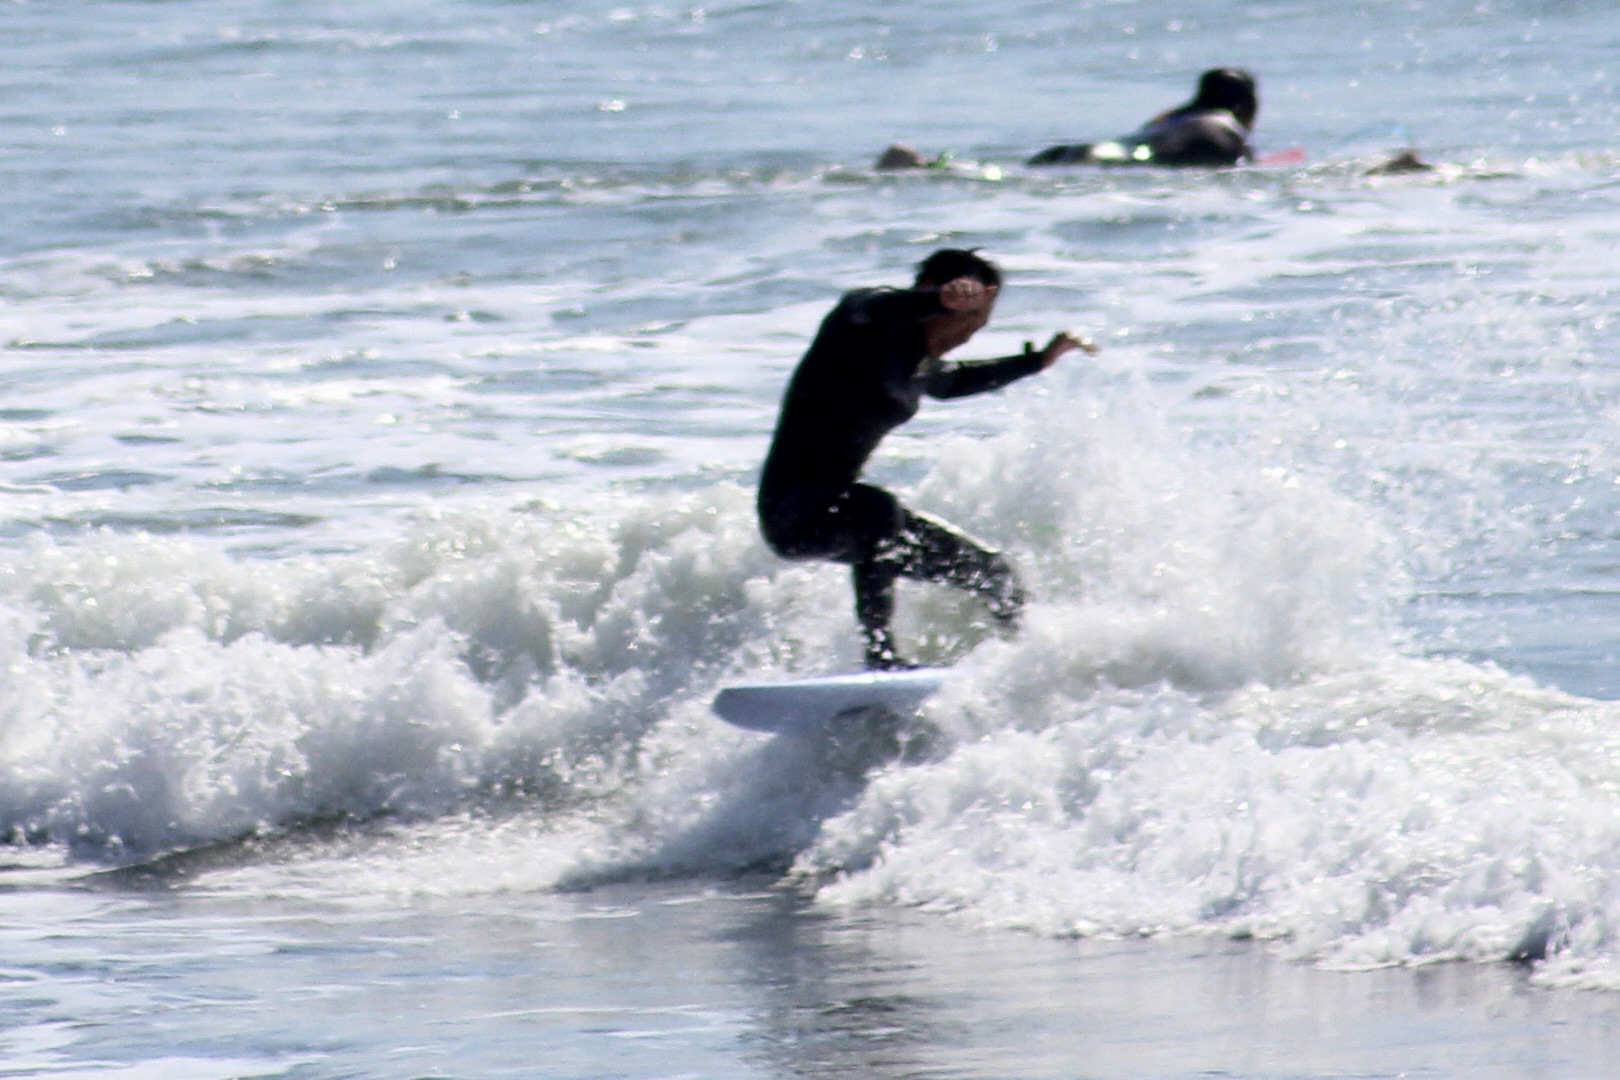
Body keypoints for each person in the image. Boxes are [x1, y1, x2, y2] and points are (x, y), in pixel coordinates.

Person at [757, 249, 1092, 670]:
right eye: (967, 320)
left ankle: (1029, 664)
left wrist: (1038, 361)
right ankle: (880, 655)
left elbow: (955, 381)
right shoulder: (859, 328)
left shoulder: (918, 364)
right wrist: (938, 300)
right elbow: (863, 306)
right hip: (793, 515)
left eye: (979, 324)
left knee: (993, 573)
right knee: (876, 510)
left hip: (847, 515)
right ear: (932, 296)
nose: (969, 335)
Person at [1028, 68, 1258, 168]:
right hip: (1131, 163)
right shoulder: (1226, 132)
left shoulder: (1168, 120)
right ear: (1247, 105)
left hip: (1071, 153)